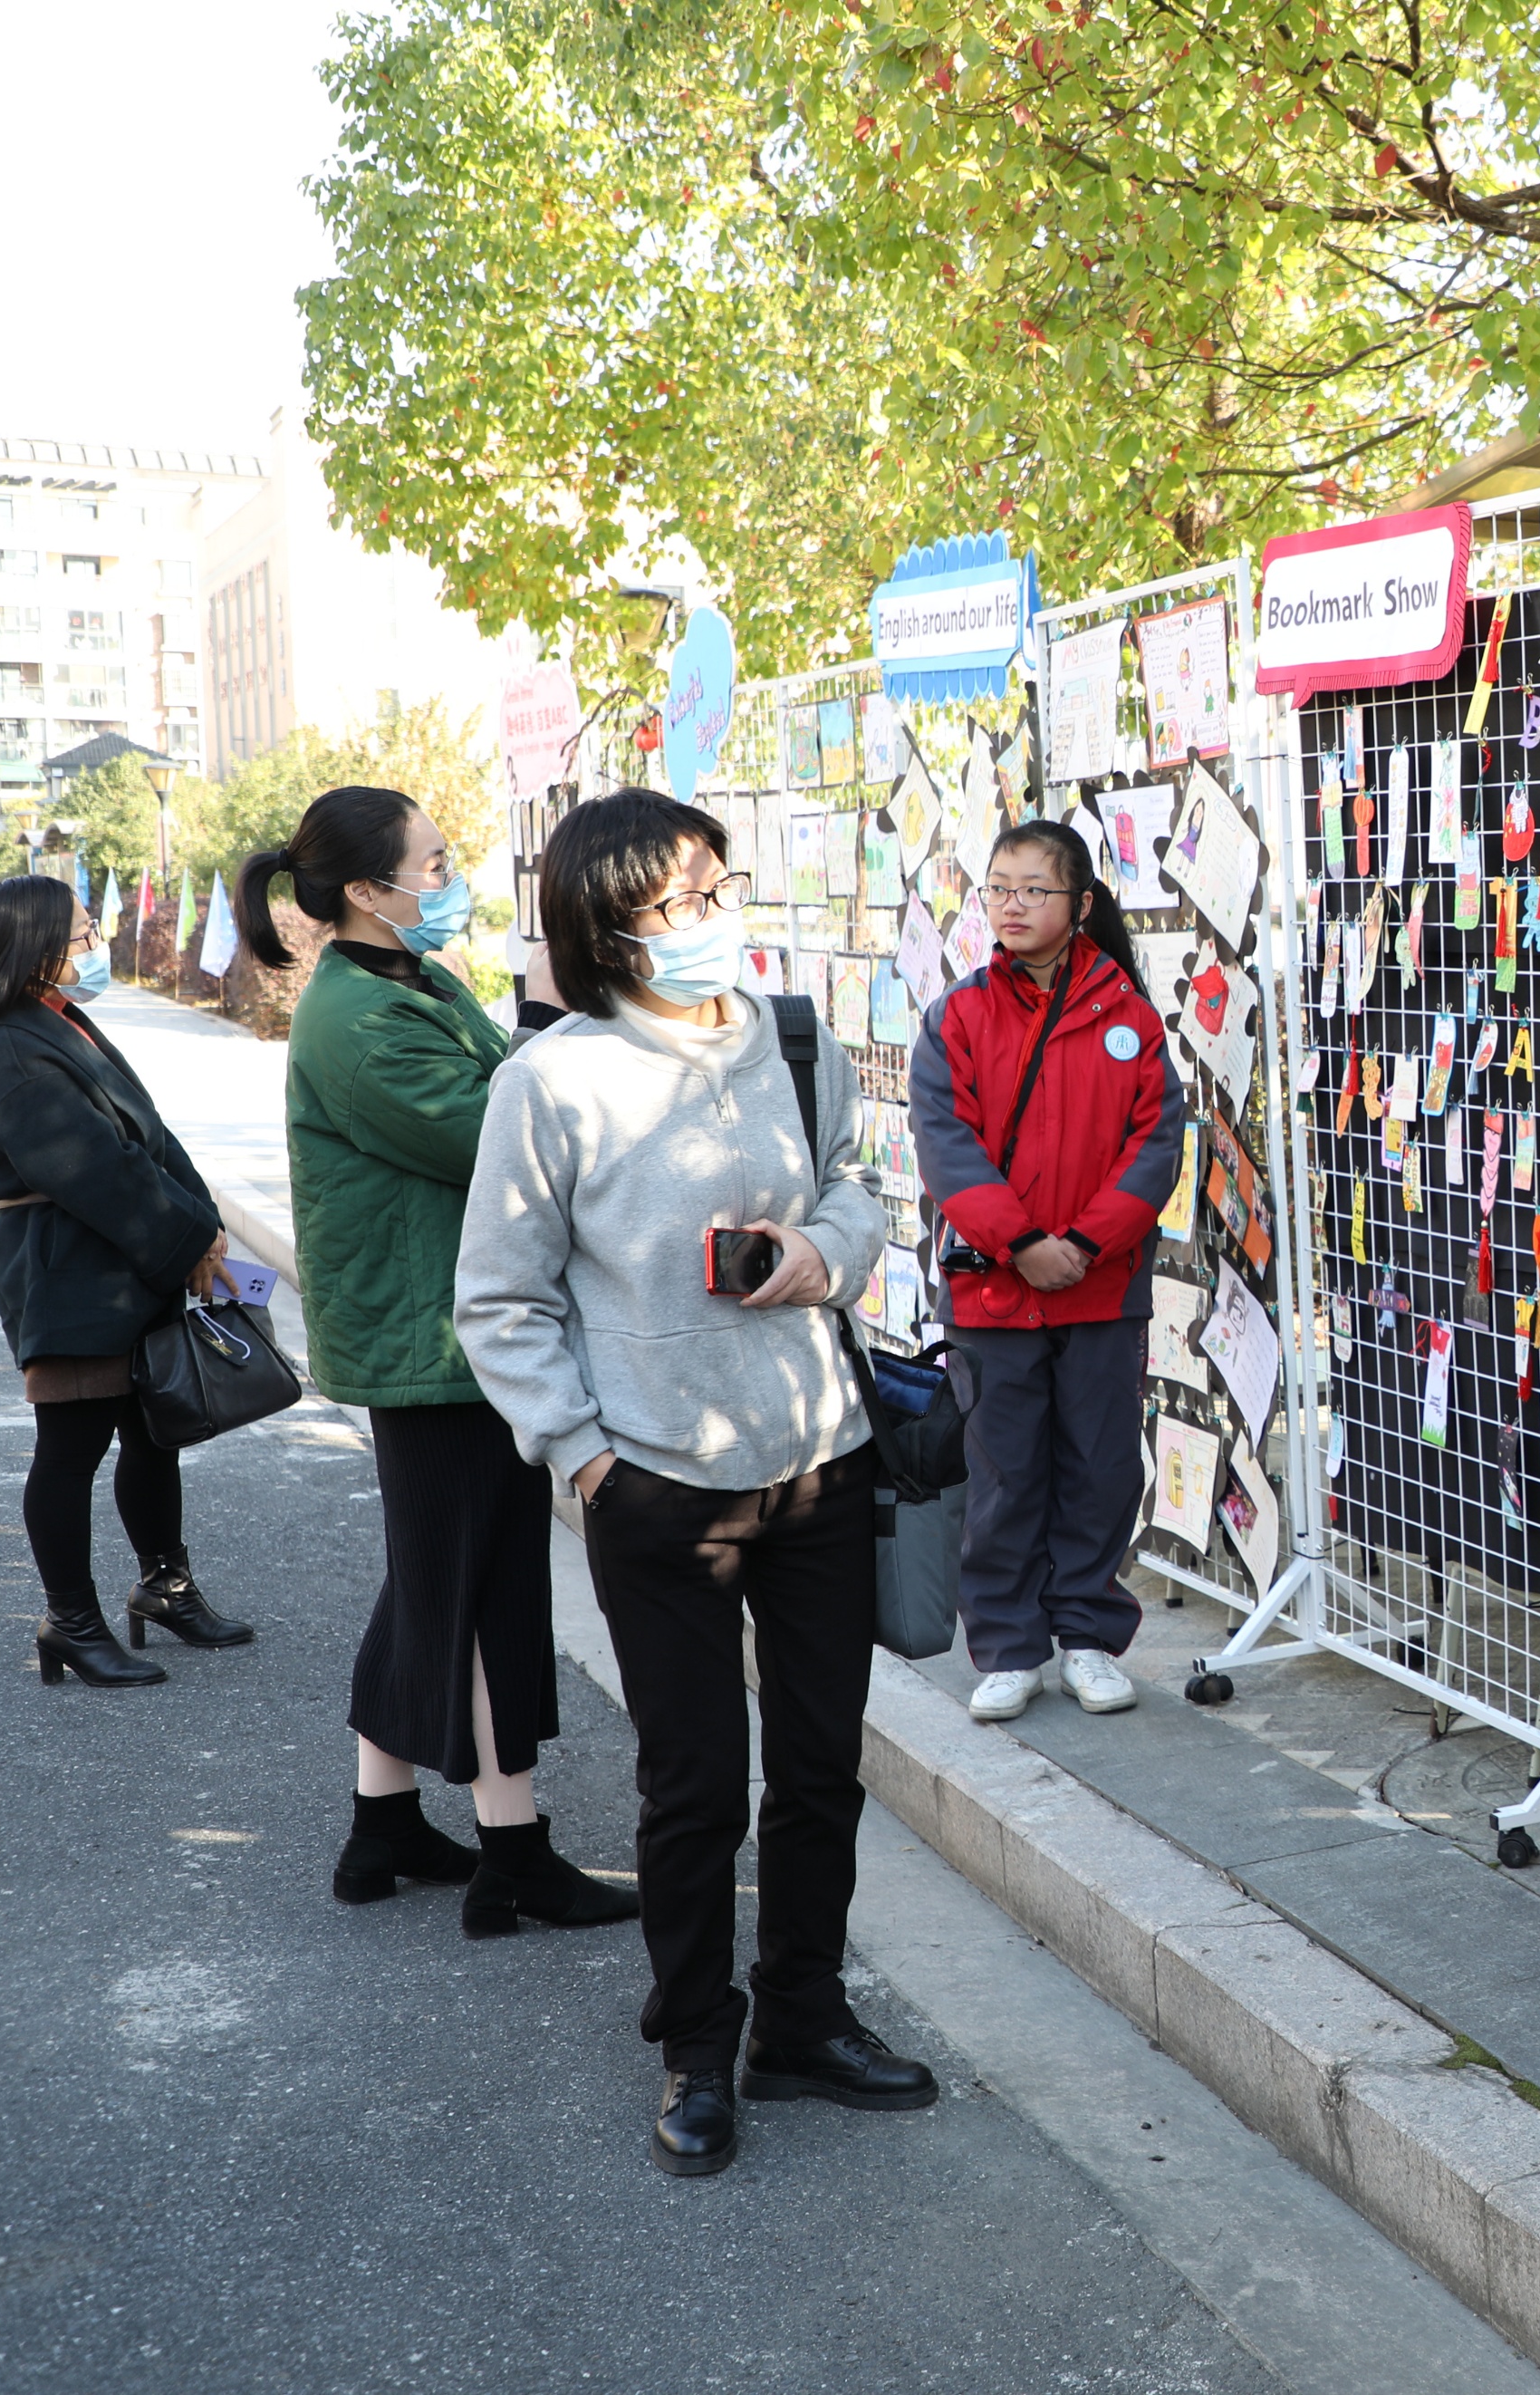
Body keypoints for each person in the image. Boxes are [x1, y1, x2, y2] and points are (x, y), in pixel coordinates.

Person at [457, 788, 938, 2178]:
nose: (708, 920)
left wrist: (822, 1251)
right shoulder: (550, 1082)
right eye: (673, 903)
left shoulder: (792, 1040)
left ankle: (801, 2016)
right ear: (605, 928)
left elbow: (858, 1187)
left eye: (717, 887)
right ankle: (694, 2045)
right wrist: (585, 1453)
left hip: (820, 1457)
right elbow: (499, 1297)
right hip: (656, 1479)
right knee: (691, 1785)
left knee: (821, 1765)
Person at [240, 785, 637, 1936]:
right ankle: (513, 1850)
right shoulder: (358, 1017)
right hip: (437, 1336)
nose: (451, 875)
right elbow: (495, 1135)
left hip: (446, 1324)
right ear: (367, 892)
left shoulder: (400, 978)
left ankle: (384, 1823)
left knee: (430, 1573)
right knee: (478, 1589)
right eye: (435, 860)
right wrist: (555, 1019)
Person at [910, 819, 1188, 1724]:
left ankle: (1087, 1638)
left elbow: (1156, 1146)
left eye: (1034, 888)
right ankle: (1007, 1645)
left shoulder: (1129, 1018)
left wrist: (1087, 1243)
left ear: (1081, 906)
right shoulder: (956, 1016)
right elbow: (944, 1145)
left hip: (1101, 1289)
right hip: (994, 1291)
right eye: (999, 887)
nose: (1013, 904)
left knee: (1100, 1467)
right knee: (1003, 1475)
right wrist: (1022, 1243)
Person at [0, 875, 246, 1686]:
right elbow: (95, 1170)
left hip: (120, 1254)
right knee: (71, 1446)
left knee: (153, 1432)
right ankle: (70, 1619)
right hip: (64, 1264)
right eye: (82, 936)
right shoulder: (4, 1044)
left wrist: (206, 1222)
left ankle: (165, 1586)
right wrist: (187, 1238)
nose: (94, 946)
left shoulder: (59, 1020)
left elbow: (149, 1135)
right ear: (31, 947)